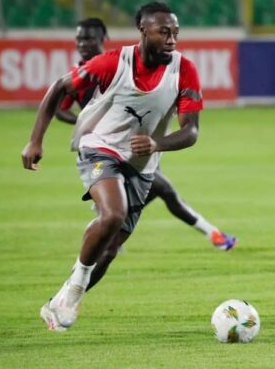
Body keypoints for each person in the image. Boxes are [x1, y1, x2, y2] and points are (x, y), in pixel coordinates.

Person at [21, 2, 221, 332]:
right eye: (163, 32)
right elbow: (59, 87)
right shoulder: (114, 62)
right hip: (100, 148)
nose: (171, 39)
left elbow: (191, 131)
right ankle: (74, 291)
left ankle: (58, 301)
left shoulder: (185, 70)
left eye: (175, 33)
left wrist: (159, 144)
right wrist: (35, 141)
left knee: (110, 249)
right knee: (113, 213)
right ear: (143, 31)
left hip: (142, 164)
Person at [57, 18, 237, 253]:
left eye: (88, 38)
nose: (82, 43)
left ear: (103, 40)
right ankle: (214, 234)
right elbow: (60, 106)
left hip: (142, 146)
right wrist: (81, 123)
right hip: (111, 150)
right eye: (79, 38)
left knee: (156, 194)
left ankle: (109, 228)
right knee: (165, 191)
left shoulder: (116, 66)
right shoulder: (83, 74)